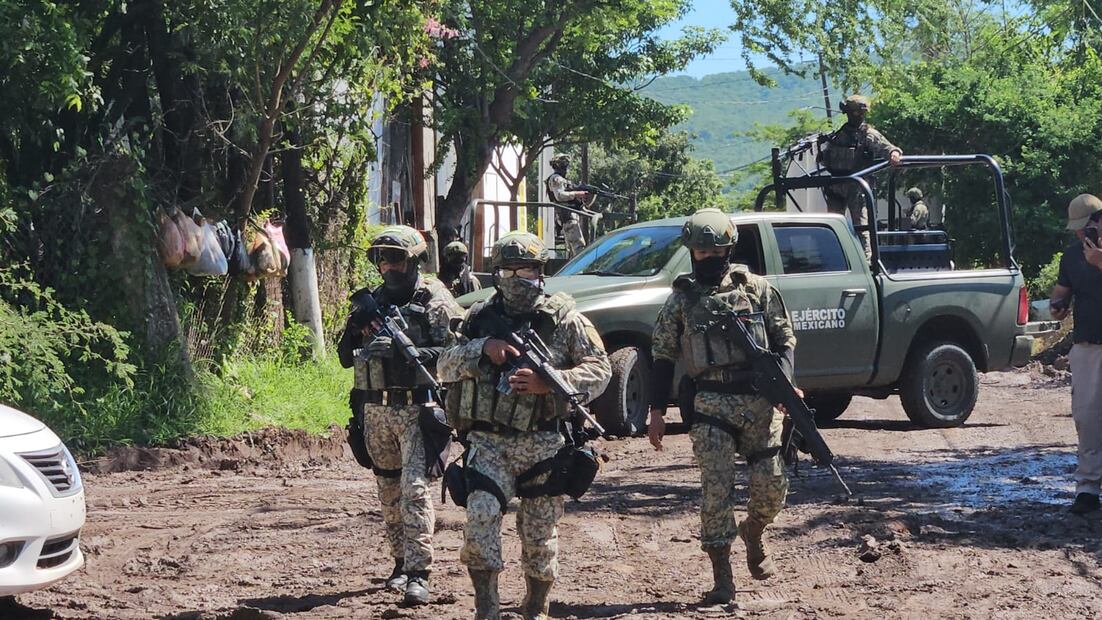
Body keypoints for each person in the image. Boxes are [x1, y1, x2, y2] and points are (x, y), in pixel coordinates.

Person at [438, 231, 611, 620]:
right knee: (480, 516)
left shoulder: (565, 319)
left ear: (540, 272)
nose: (517, 278)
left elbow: (601, 370)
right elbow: (443, 363)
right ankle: (487, 609)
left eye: (526, 270)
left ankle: (536, 608)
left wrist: (548, 382)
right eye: (508, 270)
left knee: (539, 536)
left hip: (544, 444)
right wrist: (481, 350)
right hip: (488, 442)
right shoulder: (478, 317)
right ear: (495, 273)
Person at [646, 208, 797, 604]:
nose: (708, 258)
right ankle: (722, 579)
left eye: (715, 251)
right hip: (710, 402)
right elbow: (661, 355)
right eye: (700, 252)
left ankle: (755, 531)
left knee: (772, 487)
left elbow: (784, 342)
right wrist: (657, 411)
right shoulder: (681, 299)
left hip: (760, 400)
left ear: (729, 249)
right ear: (691, 253)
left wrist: (786, 386)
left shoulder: (758, 289)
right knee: (716, 492)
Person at [337, 225, 462, 604]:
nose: (387, 266)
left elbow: (459, 356)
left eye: (395, 258)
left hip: (419, 408)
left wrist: (408, 351)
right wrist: (356, 329)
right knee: (388, 491)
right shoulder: (370, 301)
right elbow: (345, 358)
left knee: (415, 491)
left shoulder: (437, 300)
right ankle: (399, 562)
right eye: (381, 258)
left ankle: (419, 572)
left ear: (414, 260)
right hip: (376, 410)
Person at [1050, 194, 1102, 515]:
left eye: (1084, 228)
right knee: (1086, 417)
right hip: (1087, 346)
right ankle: (1087, 488)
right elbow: (1060, 293)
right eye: (1078, 230)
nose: (1080, 235)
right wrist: (1058, 306)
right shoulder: (1071, 257)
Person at [818, 94, 903, 254]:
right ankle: (834, 259)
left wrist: (894, 153)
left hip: (857, 189)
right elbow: (826, 158)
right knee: (832, 228)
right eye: (855, 112)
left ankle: (868, 263)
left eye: (860, 113)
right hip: (836, 188)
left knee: (862, 228)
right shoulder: (840, 134)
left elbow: (888, 147)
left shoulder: (868, 134)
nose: (858, 116)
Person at [545, 154, 592, 258]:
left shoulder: (562, 179)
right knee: (578, 246)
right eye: (564, 165)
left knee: (572, 249)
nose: (566, 168)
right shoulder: (556, 179)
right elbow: (559, 196)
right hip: (566, 216)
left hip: (569, 215)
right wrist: (577, 194)